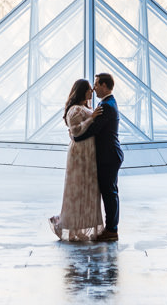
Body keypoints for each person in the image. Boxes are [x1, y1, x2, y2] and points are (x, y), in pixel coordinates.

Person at [49, 79, 105, 241]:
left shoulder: (84, 108)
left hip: (87, 153)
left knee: (86, 191)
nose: (91, 92)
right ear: (81, 91)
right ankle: (73, 229)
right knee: (77, 191)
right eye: (88, 89)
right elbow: (76, 131)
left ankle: (79, 228)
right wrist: (91, 117)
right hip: (80, 155)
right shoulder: (75, 110)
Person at [72, 72, 124, 242]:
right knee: (111, 192)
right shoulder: (108, 102)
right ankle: (111, 228)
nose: (94, 89)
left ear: (104, 85)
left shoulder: (106, 105)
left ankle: (111, 230)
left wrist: (76, 137)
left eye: (96, 84)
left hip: (108, 156)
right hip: (110, 154)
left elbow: (95, 129)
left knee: (109, 193)